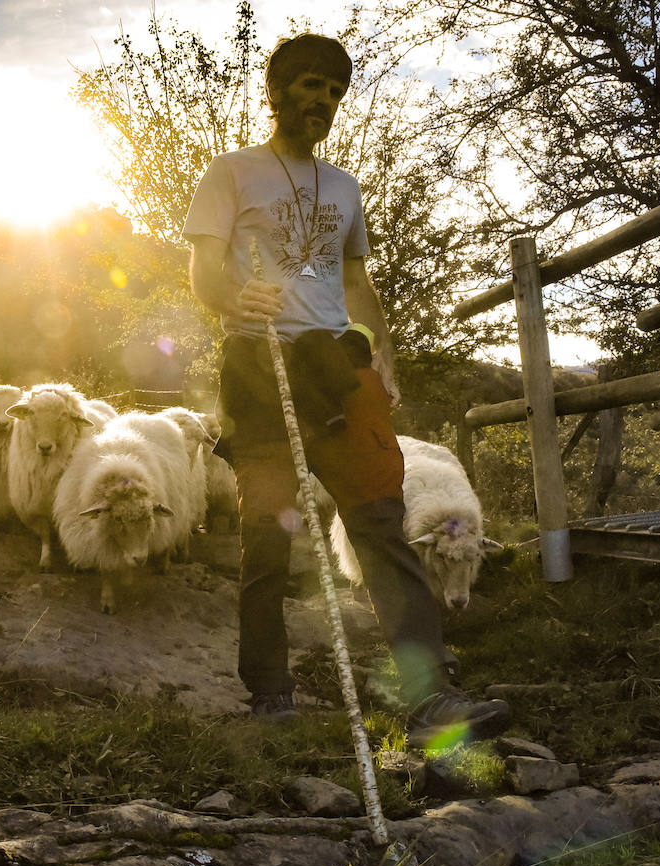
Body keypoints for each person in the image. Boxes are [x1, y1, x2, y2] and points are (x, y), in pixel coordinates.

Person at [183, 32, 509, 739]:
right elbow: (204, 272)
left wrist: (382, 354)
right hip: (259, 365)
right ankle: (270, 693)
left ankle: (431, 698)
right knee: (267, 539)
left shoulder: (345, 187)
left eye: (334, 92)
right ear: (277, 92)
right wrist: (234, 297)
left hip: (337, 370)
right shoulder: (231, 172)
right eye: (311, 86)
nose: (324, 101)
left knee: (383, 526)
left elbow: (356, 280)